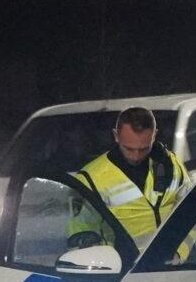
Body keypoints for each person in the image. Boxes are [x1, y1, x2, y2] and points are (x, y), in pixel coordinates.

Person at [70, 105, 188, 246]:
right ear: (116, 136)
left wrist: (179, 254)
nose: (136, 156)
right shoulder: (90, 179)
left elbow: (189, 214)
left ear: (154, 135)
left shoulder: (172, 165)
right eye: (129, 148)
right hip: (120, 266)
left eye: (144, 148)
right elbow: (79, 235)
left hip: (169, 265)